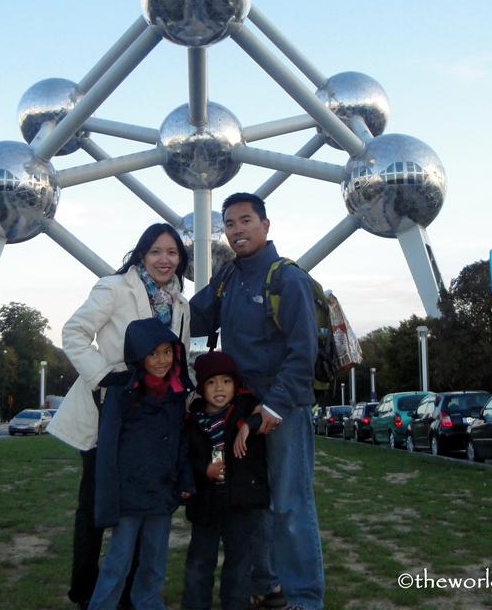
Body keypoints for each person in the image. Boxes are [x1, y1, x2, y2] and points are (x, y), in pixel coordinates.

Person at [189, 192, 324, 610]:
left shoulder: (289, 279)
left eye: (245, 220)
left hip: (281, 409)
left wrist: (274, 406)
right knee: (253, 502)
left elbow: (304, 353)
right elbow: (191, 318)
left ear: (266, 225)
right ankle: (267, 585)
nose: (236, 230)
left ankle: (304, 598)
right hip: (241, 411)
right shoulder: (228, 279)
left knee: (289, 503)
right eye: (229, 224)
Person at [48, 223, 192, 609]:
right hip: (106, 415)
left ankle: (129, 593)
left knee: (138, 508)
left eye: (173, 253)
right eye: (157, 251)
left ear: (181, 259)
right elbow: (74, 332)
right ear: (142, 254)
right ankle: (85, 590)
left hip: (151, 423)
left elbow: (180, 358)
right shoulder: (114, 287)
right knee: (96, 507)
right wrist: (105, 377)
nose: (165, 259)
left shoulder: (180, 304)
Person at [89, 318, 195, 610]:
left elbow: (181, 441)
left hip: (162, 493)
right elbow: (108, 446)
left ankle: (149, 603)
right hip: (129, 494)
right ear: (138, 355)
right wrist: (108, 496)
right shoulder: (123, 393)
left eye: (167, 352)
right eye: (153, 353)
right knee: (118, 562)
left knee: (155, 562)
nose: (161, 360)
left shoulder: (176, 394)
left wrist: (185, 480)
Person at [182, 351, 270, 610]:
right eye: (211, 382)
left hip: (241, 503)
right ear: (201, 387)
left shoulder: (243, 409)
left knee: (239, 564)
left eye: (226, 381)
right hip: (205, 504)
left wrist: (248, 425)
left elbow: (263, 413)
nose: (219, 388)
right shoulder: (192, 421)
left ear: (236, 384)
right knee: (199, 563)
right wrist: (203, 470)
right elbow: (186, 459)